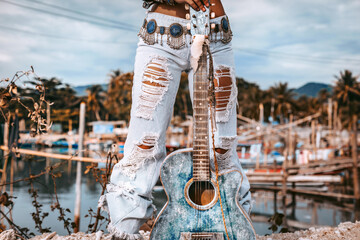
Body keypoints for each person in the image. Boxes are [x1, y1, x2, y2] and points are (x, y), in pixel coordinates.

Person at [98, 1, 252, 239]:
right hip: (159, 34)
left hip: (215, 34)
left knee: (221, 148)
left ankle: (234, 231)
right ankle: (123, 233)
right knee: (144, 145)